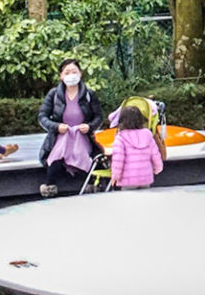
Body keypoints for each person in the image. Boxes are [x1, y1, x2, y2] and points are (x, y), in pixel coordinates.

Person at [37, 59, 103, 197]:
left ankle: (91, 187)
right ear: (61, 75)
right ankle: (49, 188)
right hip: (60, 137)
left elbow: (99, 117)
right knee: (56, 159)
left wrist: (89, 126)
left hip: (83, 137)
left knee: (86, 157)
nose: (71, 75)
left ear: (80, 74)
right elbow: (42, 117)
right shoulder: (53, 94)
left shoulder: (89, 95)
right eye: (67, 72)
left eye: (74, 71)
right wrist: (56, 127)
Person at [109, 106, 164, 190]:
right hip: (145, 177)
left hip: (128, 179)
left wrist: (115, 177)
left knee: (129, 202)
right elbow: (155, 155)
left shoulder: (120, 138)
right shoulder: (147, 135)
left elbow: (118, 160)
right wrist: (158, 169)